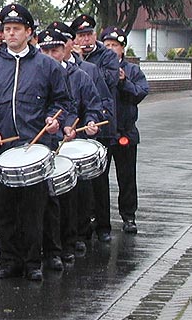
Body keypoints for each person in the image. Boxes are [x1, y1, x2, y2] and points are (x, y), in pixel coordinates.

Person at [0, 4, 72, 281]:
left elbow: (62, 101)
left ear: (29, 32)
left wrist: (54, 119)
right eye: (7, 29)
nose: (10, 34)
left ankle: (32, 261)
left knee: (33, 209)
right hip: (0, 150)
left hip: (34, 149)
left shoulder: (47, 66)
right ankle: (9, 260)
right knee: (4, 209)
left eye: (16, 29)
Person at [37, 29, 102, 268]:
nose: (50, 55)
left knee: (67, 198)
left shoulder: (80, 76)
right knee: (42, 201)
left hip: (68, 144)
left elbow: (93, 106)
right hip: (42, 144)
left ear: (65, 50)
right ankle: (44, 247)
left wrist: (91, 122)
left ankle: (67, 243)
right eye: (45, 50)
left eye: (55, 50)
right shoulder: (31, 73)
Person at [70, 14, 119, 243]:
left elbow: (109, 81)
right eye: (81, 35)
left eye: (88, 34)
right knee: (80, 181)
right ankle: (82, 226)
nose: (86, 39)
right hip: (76, 126)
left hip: (101, 124)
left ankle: (103, 226)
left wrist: (83, 64)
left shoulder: (107, 55)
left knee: (99, 178)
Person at [100, 26, 149, 234]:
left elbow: (140, 93)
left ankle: (129, 216)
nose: (111, 49)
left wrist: (124, 82)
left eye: (115, 46)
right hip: (104, 131)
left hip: (126, 131)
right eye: (107, 45)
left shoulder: (132, 70)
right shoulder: (97, 68)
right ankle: (99, 219)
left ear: (123, 49)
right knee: (99, 178)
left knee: (127, 177)